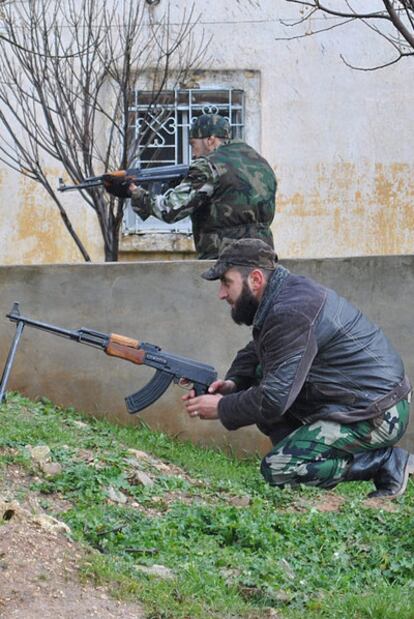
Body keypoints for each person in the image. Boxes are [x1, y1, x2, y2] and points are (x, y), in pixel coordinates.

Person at [183, 238, 413, 498]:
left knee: (280, 468)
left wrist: (221, 408)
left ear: (255, 279)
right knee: (262, 385)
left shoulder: (291, 311)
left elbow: (273, 399)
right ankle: (308, 458)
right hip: (364, 401)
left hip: (377, 413)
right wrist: (233, 383)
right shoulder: (283, 297)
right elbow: (258, 351)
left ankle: (386, 462)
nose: (221, 294)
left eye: (227, 282)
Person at [104, 114, 277, 259]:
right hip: (264, 257)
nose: (193, 154)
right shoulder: (261, 163)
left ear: (210, 140)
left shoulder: (208, 165)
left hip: (226, 260)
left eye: (193, 144)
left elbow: (171, 210)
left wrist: (133, 191)